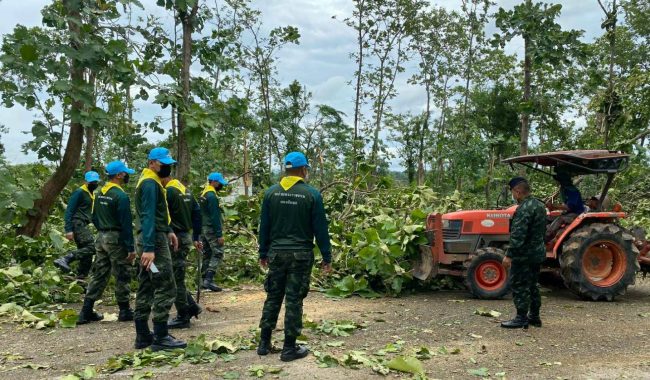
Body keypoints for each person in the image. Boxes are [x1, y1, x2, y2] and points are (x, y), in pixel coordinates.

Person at [257, 151, 332, 362]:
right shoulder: (311, 195)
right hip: (301, 255)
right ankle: (289, 348)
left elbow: (265, 226)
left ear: (286, 169)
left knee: (273, 296)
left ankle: (264, 343)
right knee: (293, 300)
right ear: (303, 170)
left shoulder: (271, 193)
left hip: (277, 254)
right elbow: (321, 229)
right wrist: (327, 256)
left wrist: (263, 252)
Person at [133, 147, 186, 351]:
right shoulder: (149, 184)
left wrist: (169, 229)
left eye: (169, 164)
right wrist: (149, 247)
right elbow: (147, 216)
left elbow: (156, 213)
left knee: (147, 283)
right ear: (152, 163)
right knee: (166, 284)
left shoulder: (150, 181)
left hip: (153, 237)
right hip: (152, 242)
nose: (168, 167)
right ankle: (161, 336)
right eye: (164, 164)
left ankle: (143, 335)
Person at [77, 162, 136, 324]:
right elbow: (125, 223)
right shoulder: (121, 196)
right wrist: (130, 247)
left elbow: (94, 217)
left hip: (101, 237)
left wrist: (103, 231)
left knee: (100, 273)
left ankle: (85, 311)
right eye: (125, 173)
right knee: (122, 272)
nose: (126, 175)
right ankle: (124, 310)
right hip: (116, 238)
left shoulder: (99, 192)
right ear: (118, 175)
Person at [501, 177, 547, 329]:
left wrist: (509, 255)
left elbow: (518, 235)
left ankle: (521, 318)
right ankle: (534, 316)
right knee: (533, 284)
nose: (513, 196)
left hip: (524, 255)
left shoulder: (524, 208)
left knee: (520, 284)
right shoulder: (540, 206)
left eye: (513, 193)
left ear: (518, 191)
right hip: (537, 253)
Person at [162, 174, 203, 329]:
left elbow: (163, 216)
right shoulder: (186, 191)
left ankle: (183, 315)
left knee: (174, 279)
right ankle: (191, 306)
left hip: (175, 239)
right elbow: (197, 213)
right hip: (185, 236)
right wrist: (196, 236)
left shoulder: (168, 192)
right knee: (176, 275)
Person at [54, 171, 100, 278]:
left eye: (96, 182)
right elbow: (69, 211)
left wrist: (100, 228)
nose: (94, 183)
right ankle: (66, 258)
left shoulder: (91, 194)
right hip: (77, 223)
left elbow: (92, 214)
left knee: (87, 257)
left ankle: (81, 280)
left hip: (83, 223)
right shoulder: (79, 192)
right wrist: (68, 229)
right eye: (92, 182)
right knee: (91, 247)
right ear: (86, 181)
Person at [199, 172, 229, 292]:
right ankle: (209, 279)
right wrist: (219, 234)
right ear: (214, 182)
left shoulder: (203, 194)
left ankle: (203, 280)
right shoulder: (211, 196)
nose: (221, 185)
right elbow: (215, 216)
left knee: (207, 253)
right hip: (211, 228)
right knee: (218, 252)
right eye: (220, 183)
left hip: (203, 228)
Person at [545, 170, 585, 242]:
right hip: (568, 212)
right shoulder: (563, 188)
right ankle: (548, 233)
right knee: (548, 217)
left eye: (558, 180)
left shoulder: (572, 191)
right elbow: (553, 197)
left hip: (576, 214)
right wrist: (549, 201)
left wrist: (554, 205)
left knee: (560, 219)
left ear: (562, 181)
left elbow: (569, 207)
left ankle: (547, 236)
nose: (556, 182)